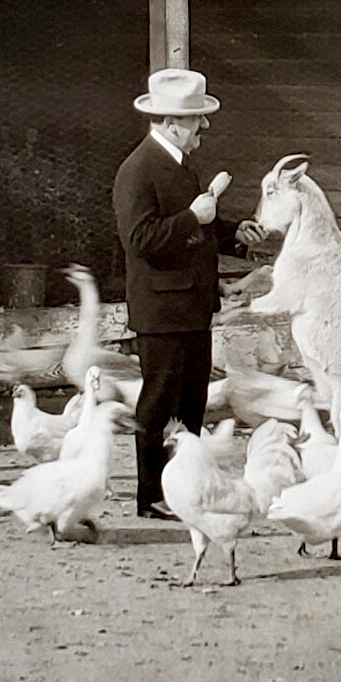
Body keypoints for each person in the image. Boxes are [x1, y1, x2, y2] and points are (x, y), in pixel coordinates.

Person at [112, 68, 239, 520]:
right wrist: (194, 219)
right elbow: (141, 239)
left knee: (192, 401)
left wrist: (234, 233)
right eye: (196, 119)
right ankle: (151, 496)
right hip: (161, 308)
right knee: (158, 401)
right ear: (170, 123)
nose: (203, 126)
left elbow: (197, 224)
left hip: (191, 305)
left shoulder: (179, 164)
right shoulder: (138, 170)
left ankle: (185, 486)